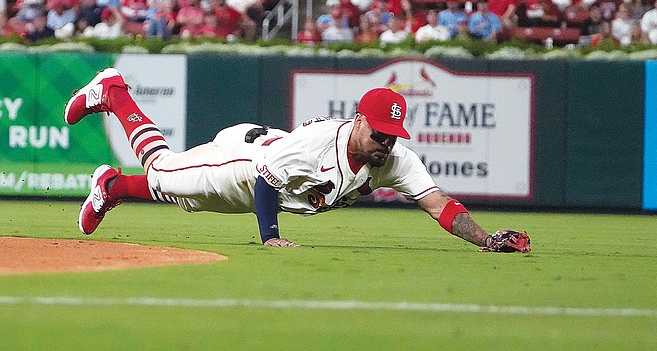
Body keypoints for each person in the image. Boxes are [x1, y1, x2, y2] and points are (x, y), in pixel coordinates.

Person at [64, 69, 531, 253]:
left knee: (181, 198)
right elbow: (266, 180)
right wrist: (270, 238)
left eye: (393, 136)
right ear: (358, 121)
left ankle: (110, 187)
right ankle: (115, 92)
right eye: (380, 134)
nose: (387, 144)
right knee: (162, 172)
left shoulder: (395, 160)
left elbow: (438, 204)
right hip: (245, 162)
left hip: (268, 177)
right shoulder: (321, 141)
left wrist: (486, 239)